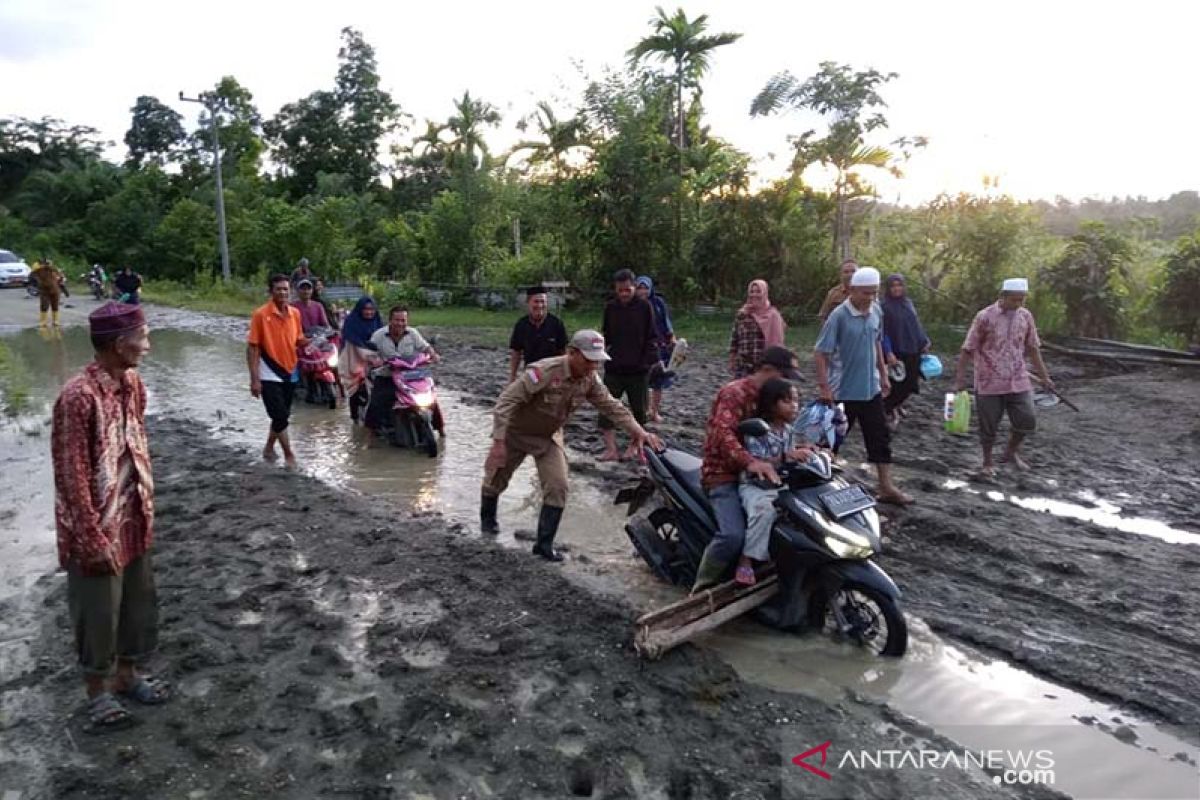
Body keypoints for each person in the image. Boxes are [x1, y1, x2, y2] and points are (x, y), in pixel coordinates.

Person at [51, 302, 169, 731]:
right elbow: (70, 475)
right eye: (143, 338)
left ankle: (127, 675)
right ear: (119, 344)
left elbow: (136, 440)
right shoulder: (77, 398)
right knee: (98, 610)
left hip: (134, 513)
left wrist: (144, 503)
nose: (147, 346)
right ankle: (97, 691)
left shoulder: (133, 384)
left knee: (137, 603)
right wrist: (89, 536)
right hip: (96, 525)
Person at [482, 330, 663, 561]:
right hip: (516, 433)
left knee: (558, 485)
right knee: (495, 480)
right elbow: (506, 402)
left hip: (548, 436)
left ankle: (544, 545)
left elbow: (611, 406)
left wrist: (640, 432)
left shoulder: (590, 378)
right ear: (571, 353)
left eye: (597, 361)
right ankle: (487, 524)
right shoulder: (544, 372)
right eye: (588, 360)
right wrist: (498, 442)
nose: (593, 366)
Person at [693, 346, 804, 591]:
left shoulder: (771, 398)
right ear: (768, 370)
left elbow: (780, 436)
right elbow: (724, 434)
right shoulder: (735, 393)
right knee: (732, 536)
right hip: (725, 474)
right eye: (784, 376)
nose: (787, 385)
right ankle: (702, 586)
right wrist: (750, 462)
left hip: (762, 475)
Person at [814, 266, 912, 505]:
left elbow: (876, 343)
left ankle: (886, 486)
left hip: (871, 389)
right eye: (865, 293)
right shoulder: (839, 316)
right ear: (853, 290)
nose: (870, 298)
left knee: (880, 437)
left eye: (874, 293)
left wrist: (883, 374)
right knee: (832, 440)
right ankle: (817, 484)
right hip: (843, 391)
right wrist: (824, 387)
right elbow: (820, 352)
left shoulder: (876, 311)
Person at [954, 278, 1054, 477]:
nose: (1018, 304)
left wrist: (1045, 377)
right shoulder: (984, 317)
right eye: (1015, 300)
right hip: (988, 380)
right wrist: (960, 379)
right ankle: (987, 460)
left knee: (1027, 419)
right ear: (1003, 297)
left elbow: (1033, 348)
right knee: (989, 424)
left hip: (1018, 378)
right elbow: (968, 349)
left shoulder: (1025, 317)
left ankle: (1011, 451)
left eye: (1022, 300)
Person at [737, 378, 816, 586]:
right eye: (787, 401)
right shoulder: (758, 430)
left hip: (780, 484)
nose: (794, 406)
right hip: (756, 486)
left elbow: (791, 455)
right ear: (772, 404)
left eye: (796, 400)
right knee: (764, 511)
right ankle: (746, 560)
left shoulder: (788, 431)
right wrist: (786, 457)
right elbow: (756, 461)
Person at [247, 274, 307, 467]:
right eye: (279, 289)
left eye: (286, 289)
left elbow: (298, 339)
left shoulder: (295, 314)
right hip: (268, 371)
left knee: (282, 415)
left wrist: (315, 341)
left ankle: (268, 447)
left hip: (290, 369)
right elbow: (253, 347)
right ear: (271, 292)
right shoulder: (260, 315)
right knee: (279, 415)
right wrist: (254, 379)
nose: (283, 292)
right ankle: (289, 455)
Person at [599, 268, 657, 461]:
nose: (624, 294)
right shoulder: (610, 307)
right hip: (614, 367)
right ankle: (610, 448)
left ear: (634, 287)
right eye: (620, 290)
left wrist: (648, 361)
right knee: (606, 407)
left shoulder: (644, 307)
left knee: (639, 410)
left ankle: (634, 445)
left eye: (627, 290)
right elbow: (605, 335)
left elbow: (652, 336)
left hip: (638, 369)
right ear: (616, 289)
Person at [364, 307, 442, 437]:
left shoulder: (413, 333)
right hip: (387, 375)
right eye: (397, 320)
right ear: (390, 321)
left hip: (411, 375)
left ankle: (441, 430)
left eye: (403, 320)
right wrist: (375, 360)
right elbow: (370, 353)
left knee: (432, 399)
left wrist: (433, 354)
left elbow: (425, 347)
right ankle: (370, 437)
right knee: (377, 402)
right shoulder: (378, 335)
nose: (400, 323)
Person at [881, 274, 931, 423]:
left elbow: (915, 325)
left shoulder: (908, 303)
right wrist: (888, 352)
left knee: (911, 383)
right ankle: (886, 410)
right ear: (888, 288)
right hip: (896, 352)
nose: (897, 288)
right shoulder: (884, 306)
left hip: (913, 349)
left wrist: (924, 341)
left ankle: (891, 408)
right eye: (893, 286)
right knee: (897, 385)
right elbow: (882, 332)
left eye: (899, 285)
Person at [636, 276, 675, 423]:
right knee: (643, 381)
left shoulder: (658, 303)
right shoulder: (633, 305)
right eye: (639, 287)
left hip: (660, 347)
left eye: (645, 287)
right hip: (641, 348)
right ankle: (644, 409)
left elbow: (666, 323)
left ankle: (654, 411)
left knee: (658, 381)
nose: (642, 291)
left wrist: (672, 338)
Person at [508, 287, 567, 383]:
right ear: (528, 303)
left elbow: (564, 352)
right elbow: (516, 352)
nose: (540, 305)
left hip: (552, 374)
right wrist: (512, 377)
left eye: (543, 302)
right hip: (531, 373)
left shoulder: (556, 324)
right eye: (536, 301)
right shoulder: (521, 325)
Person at [729, 279, 786, 378]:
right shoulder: (742, 314)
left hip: (763, 367)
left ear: (765, 293)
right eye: (752, 291)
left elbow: (778, 344)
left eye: (758, 291)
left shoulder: (773, 315)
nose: (754, 295)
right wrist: (732, 359)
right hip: (743, 366)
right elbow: (734, 339)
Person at [340, 296, 383, 424]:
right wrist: (369, 356)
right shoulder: (351, 322)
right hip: (354, 359)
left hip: (375, 360)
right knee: (356, 388)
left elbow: (383, 339)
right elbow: (354, 344)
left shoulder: (377, 321)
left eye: (372, 309)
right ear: (360, 310)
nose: (369, 312)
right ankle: (354, 419)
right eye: (366, 309)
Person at [31, 258, 65, 327]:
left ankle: (55, 321)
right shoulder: (39, 270)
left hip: (55, 290)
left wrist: (60, 279)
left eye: (49, 264)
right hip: (44, 291)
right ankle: (43, 322)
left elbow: (61, 276)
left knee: (55, 305)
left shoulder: (54, 269)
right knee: (44, 305)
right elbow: (33, 273)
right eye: (47, 264)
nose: (48, 265)